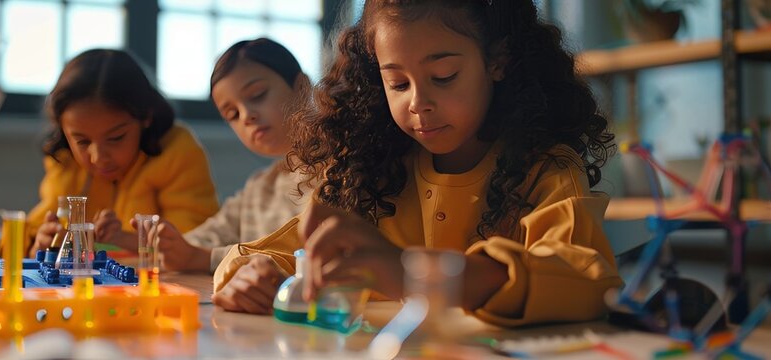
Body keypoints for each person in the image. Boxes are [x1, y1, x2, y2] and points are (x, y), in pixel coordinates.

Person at [212, 0, 623, 326]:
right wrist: (252, 274)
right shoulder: (367, 171)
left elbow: (584, 280)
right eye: (398, 83)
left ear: (497, 61)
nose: (418, 103)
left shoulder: (545, 170)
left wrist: (414, 273)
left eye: (443, 76)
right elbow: (270, 253)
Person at [134, 38, 312, 274]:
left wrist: (205, 258)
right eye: (232, 114)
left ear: (302, 87)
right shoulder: (259, 187)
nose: (247, 115)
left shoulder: (338, 172)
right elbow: (211, 235)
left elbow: (303, 257)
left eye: (257, 95)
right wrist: (171, 244)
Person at [26, 49, 219, 255]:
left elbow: (195, 246)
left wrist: (124, 239)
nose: (98, 157)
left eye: (116, 137)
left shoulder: (177, 152)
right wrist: (41, 247)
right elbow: (31, 236)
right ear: (63, 130)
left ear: (146, 117)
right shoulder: (65, 160)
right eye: (82, 141)